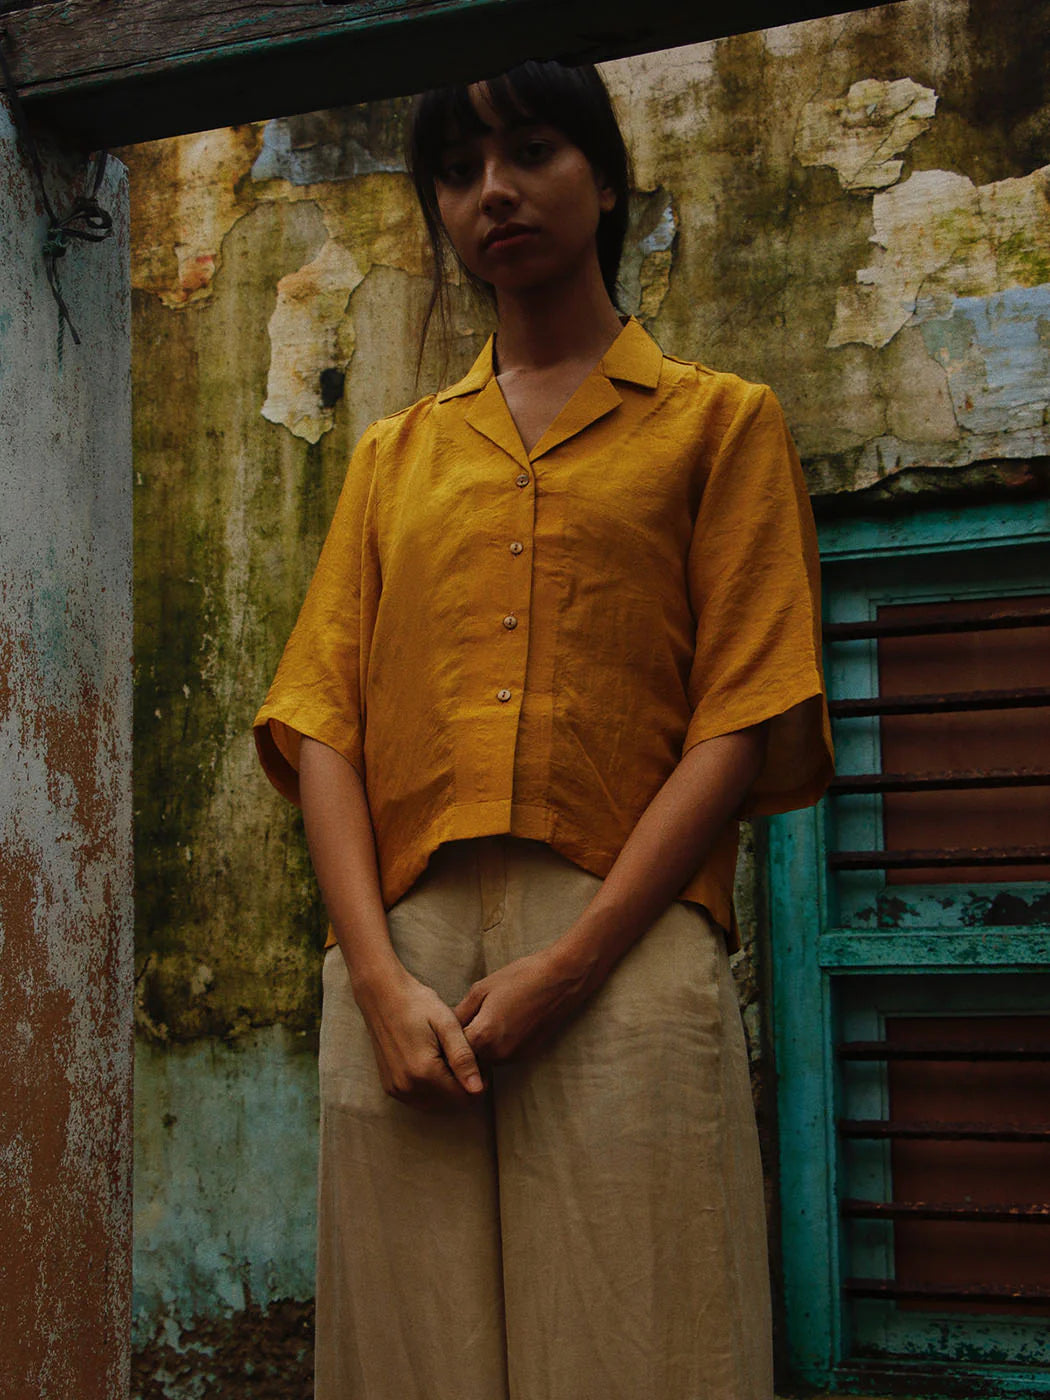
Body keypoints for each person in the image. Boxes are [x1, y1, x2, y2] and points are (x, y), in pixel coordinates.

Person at [254, 58, 833, 1400]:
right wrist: (377, 980)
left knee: (648, 1335)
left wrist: (570, 966)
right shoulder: (394, 456)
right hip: (404, 957)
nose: (493, 191)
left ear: (608, 177)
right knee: (410, 1349)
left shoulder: (719, 425)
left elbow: (741, 716)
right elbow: (318, 719)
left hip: (619, 943)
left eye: (529, 151)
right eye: (458, 171)